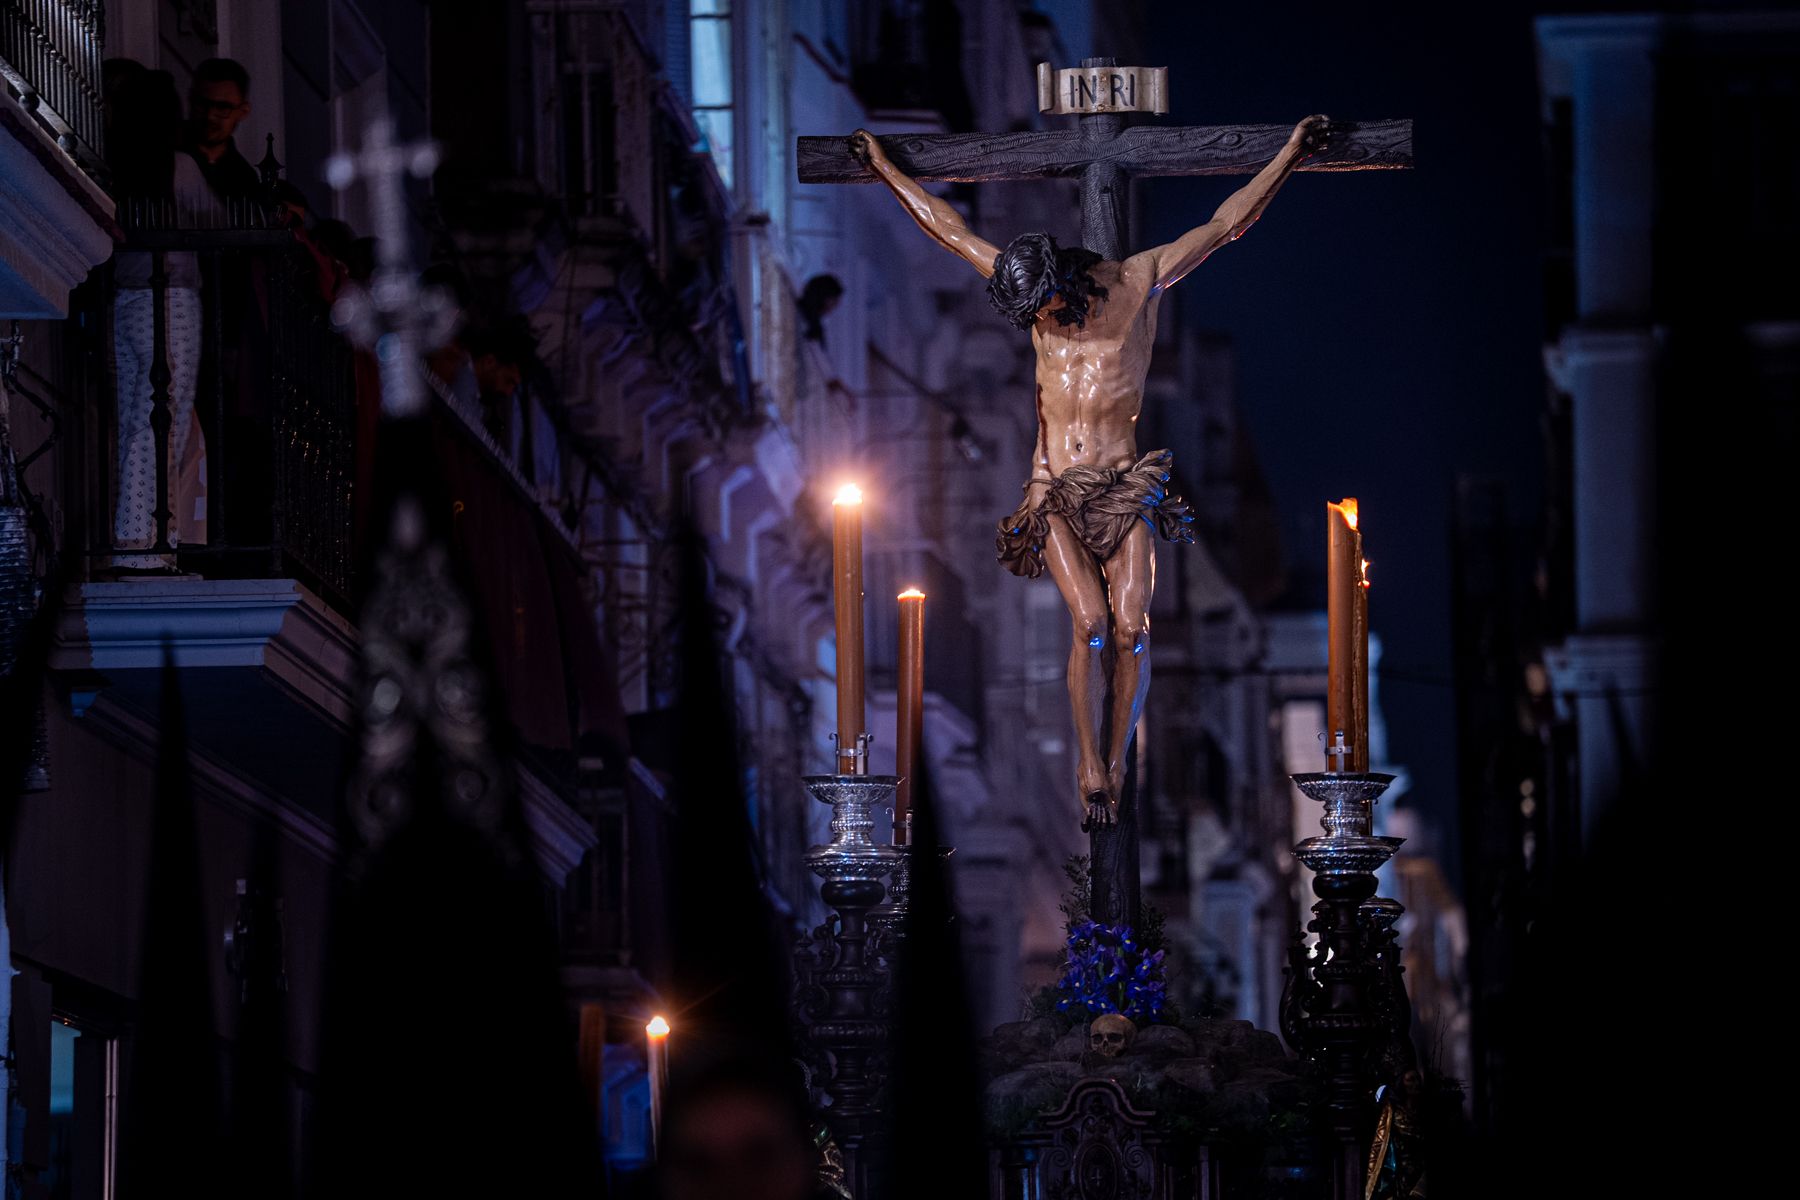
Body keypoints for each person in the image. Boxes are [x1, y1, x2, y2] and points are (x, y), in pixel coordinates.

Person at [851, 116, 1330, 827]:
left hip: (1122, 486)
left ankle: (1120, 756)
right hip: (1053, 489)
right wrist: (885, 168)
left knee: (1134, 630)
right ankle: (1088, 762)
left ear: (1064, 282)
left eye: (1044, 307)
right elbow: (949, 231)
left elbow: (1226, 224)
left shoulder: (1139, 283)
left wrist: (1290, 153)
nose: (1040, 321)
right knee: (1093, 623)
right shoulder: (1030, 299)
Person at [106, 70, 221, 572]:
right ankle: (146, 543)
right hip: (172, 298)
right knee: (164, 419)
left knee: (138, 416)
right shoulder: (179, 167)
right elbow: (217, 221)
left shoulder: (114, 169)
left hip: (125, 299)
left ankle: (146, 538)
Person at [184, 57, 259, 199]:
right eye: (202, 104)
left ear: (243, 111)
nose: (210, 116)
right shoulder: (161, 153)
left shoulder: (244, 179)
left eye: (223, 107)